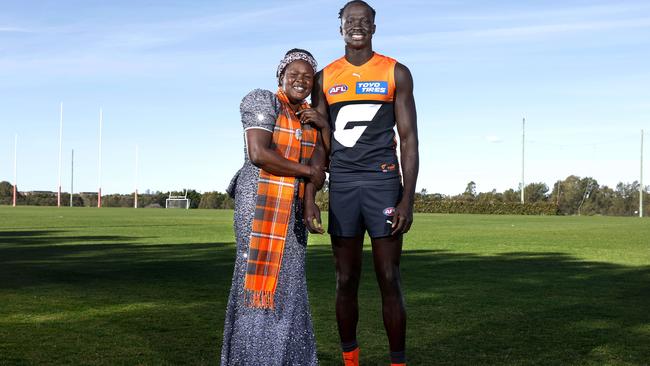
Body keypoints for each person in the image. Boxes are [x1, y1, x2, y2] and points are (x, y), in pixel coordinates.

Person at [303, 1, 419, 365]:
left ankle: (397, 361)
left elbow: (410, 140)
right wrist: (311, 197)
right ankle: (350, 360)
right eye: (349, 20)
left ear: (373, 26)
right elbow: (321, 145)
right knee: (345, 279)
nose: (357, 26)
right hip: (344, 186)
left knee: (389, 276)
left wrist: (407, 200)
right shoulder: (324, 78)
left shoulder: (395, 71)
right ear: (340, 28)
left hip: (383, 184)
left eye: (363, 20)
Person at [221, 49, 327, 366]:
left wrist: (310, 202)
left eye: (307, 76)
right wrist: (308, 173)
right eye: (293, 73)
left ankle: (290, 359)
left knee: (290, 285)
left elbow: (322, 162)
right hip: (258, 205)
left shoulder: (309, 117)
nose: (300, 79)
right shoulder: (262, 101)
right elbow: (259, 154)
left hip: (293, 209)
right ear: (280, 76)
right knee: (258, 286)